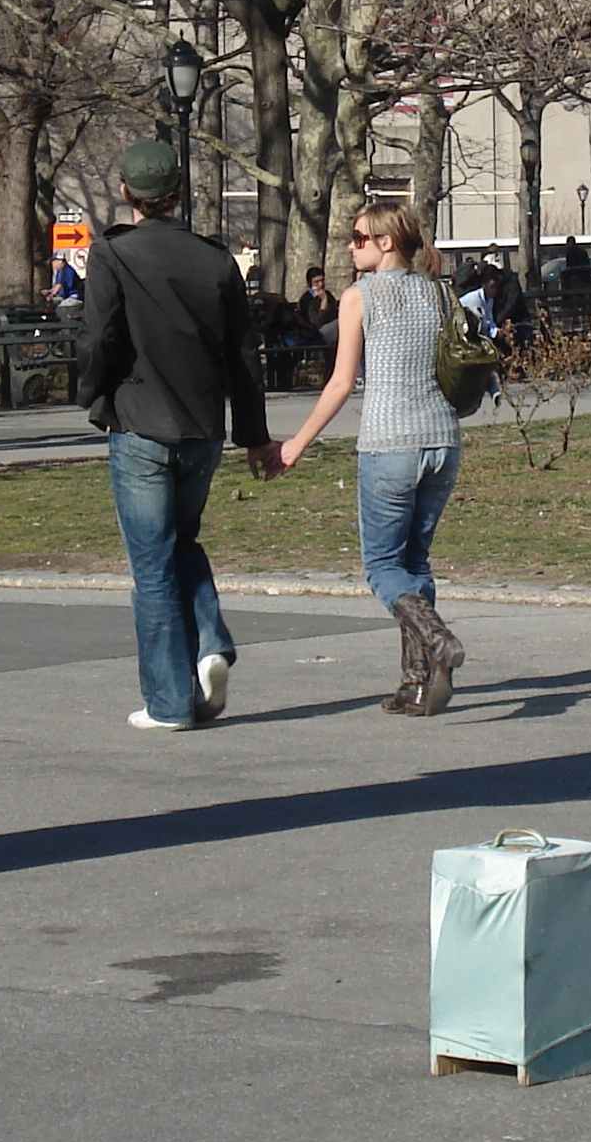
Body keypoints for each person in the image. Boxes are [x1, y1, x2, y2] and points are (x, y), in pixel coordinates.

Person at [79, 139, 283, 731]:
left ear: (126, 193)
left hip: (140, 419)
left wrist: (92, 394)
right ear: (177, 194)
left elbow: (99, 337)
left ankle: (169, 701)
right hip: (201, 428)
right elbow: (244, 354)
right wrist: (253, 435)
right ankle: (210, 643)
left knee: (152, 564)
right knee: (181, 542)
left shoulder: (113, 255)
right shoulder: (214, 260)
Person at [277, 200, 467, 716]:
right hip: (443, 441)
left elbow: (340, 382)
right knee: (415, 563)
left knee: (383, 565)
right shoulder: (439, 292)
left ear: (386, 242)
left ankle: (437, 638)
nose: (350, 246)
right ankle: (416, 682)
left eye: (359, 238)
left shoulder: (359, 297)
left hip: (390, 445)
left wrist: (296, 443)